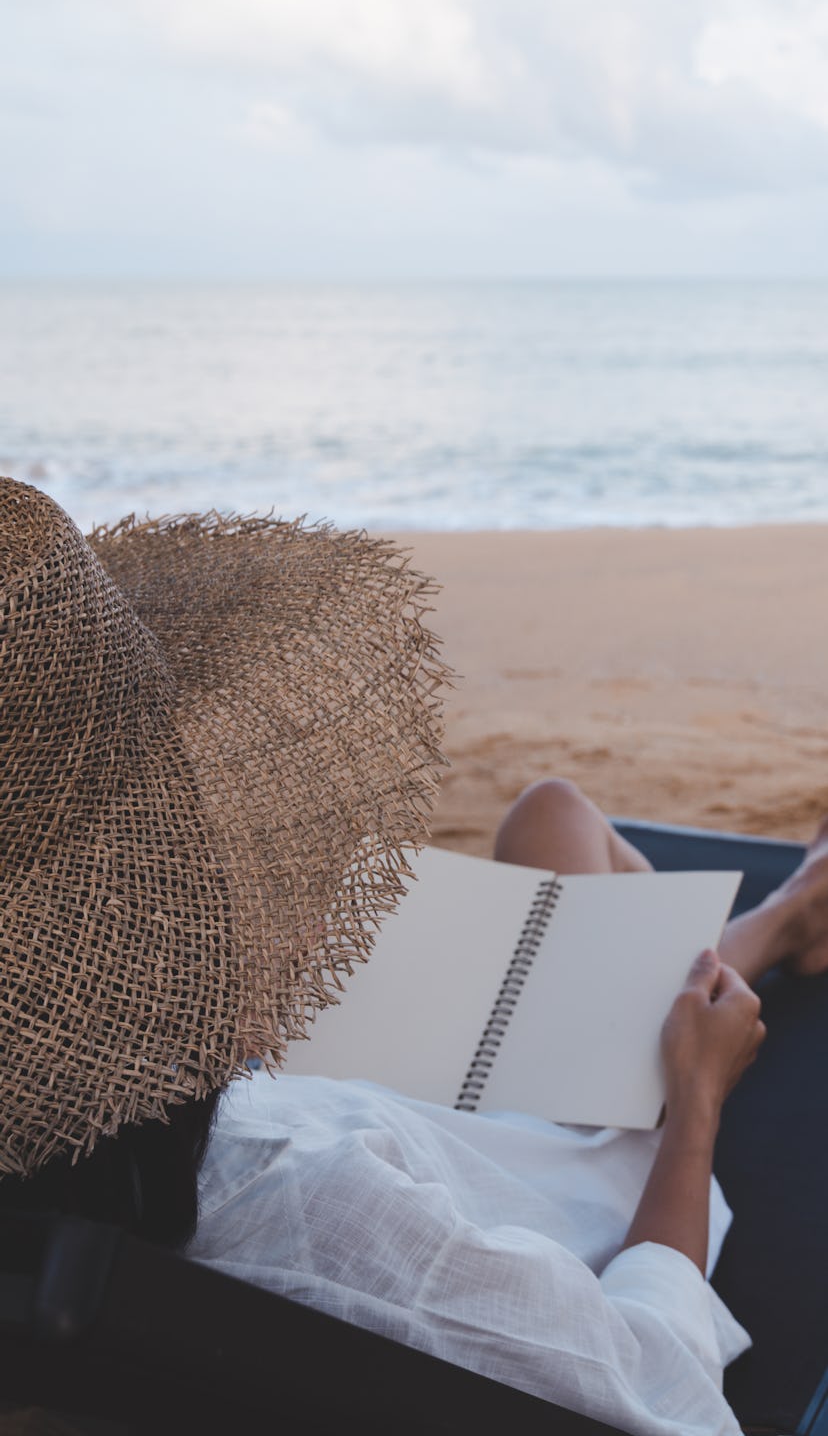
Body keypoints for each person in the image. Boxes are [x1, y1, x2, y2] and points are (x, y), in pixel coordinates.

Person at [1, 478, 827, 1435]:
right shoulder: (327, 1219)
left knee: (549, 817)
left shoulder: (78, 1130)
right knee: (594, 901)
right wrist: (697, 1105)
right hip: (594, 1183)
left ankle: (784, 918)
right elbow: (659, 1382)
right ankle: (792, 912)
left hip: (412, 1117)